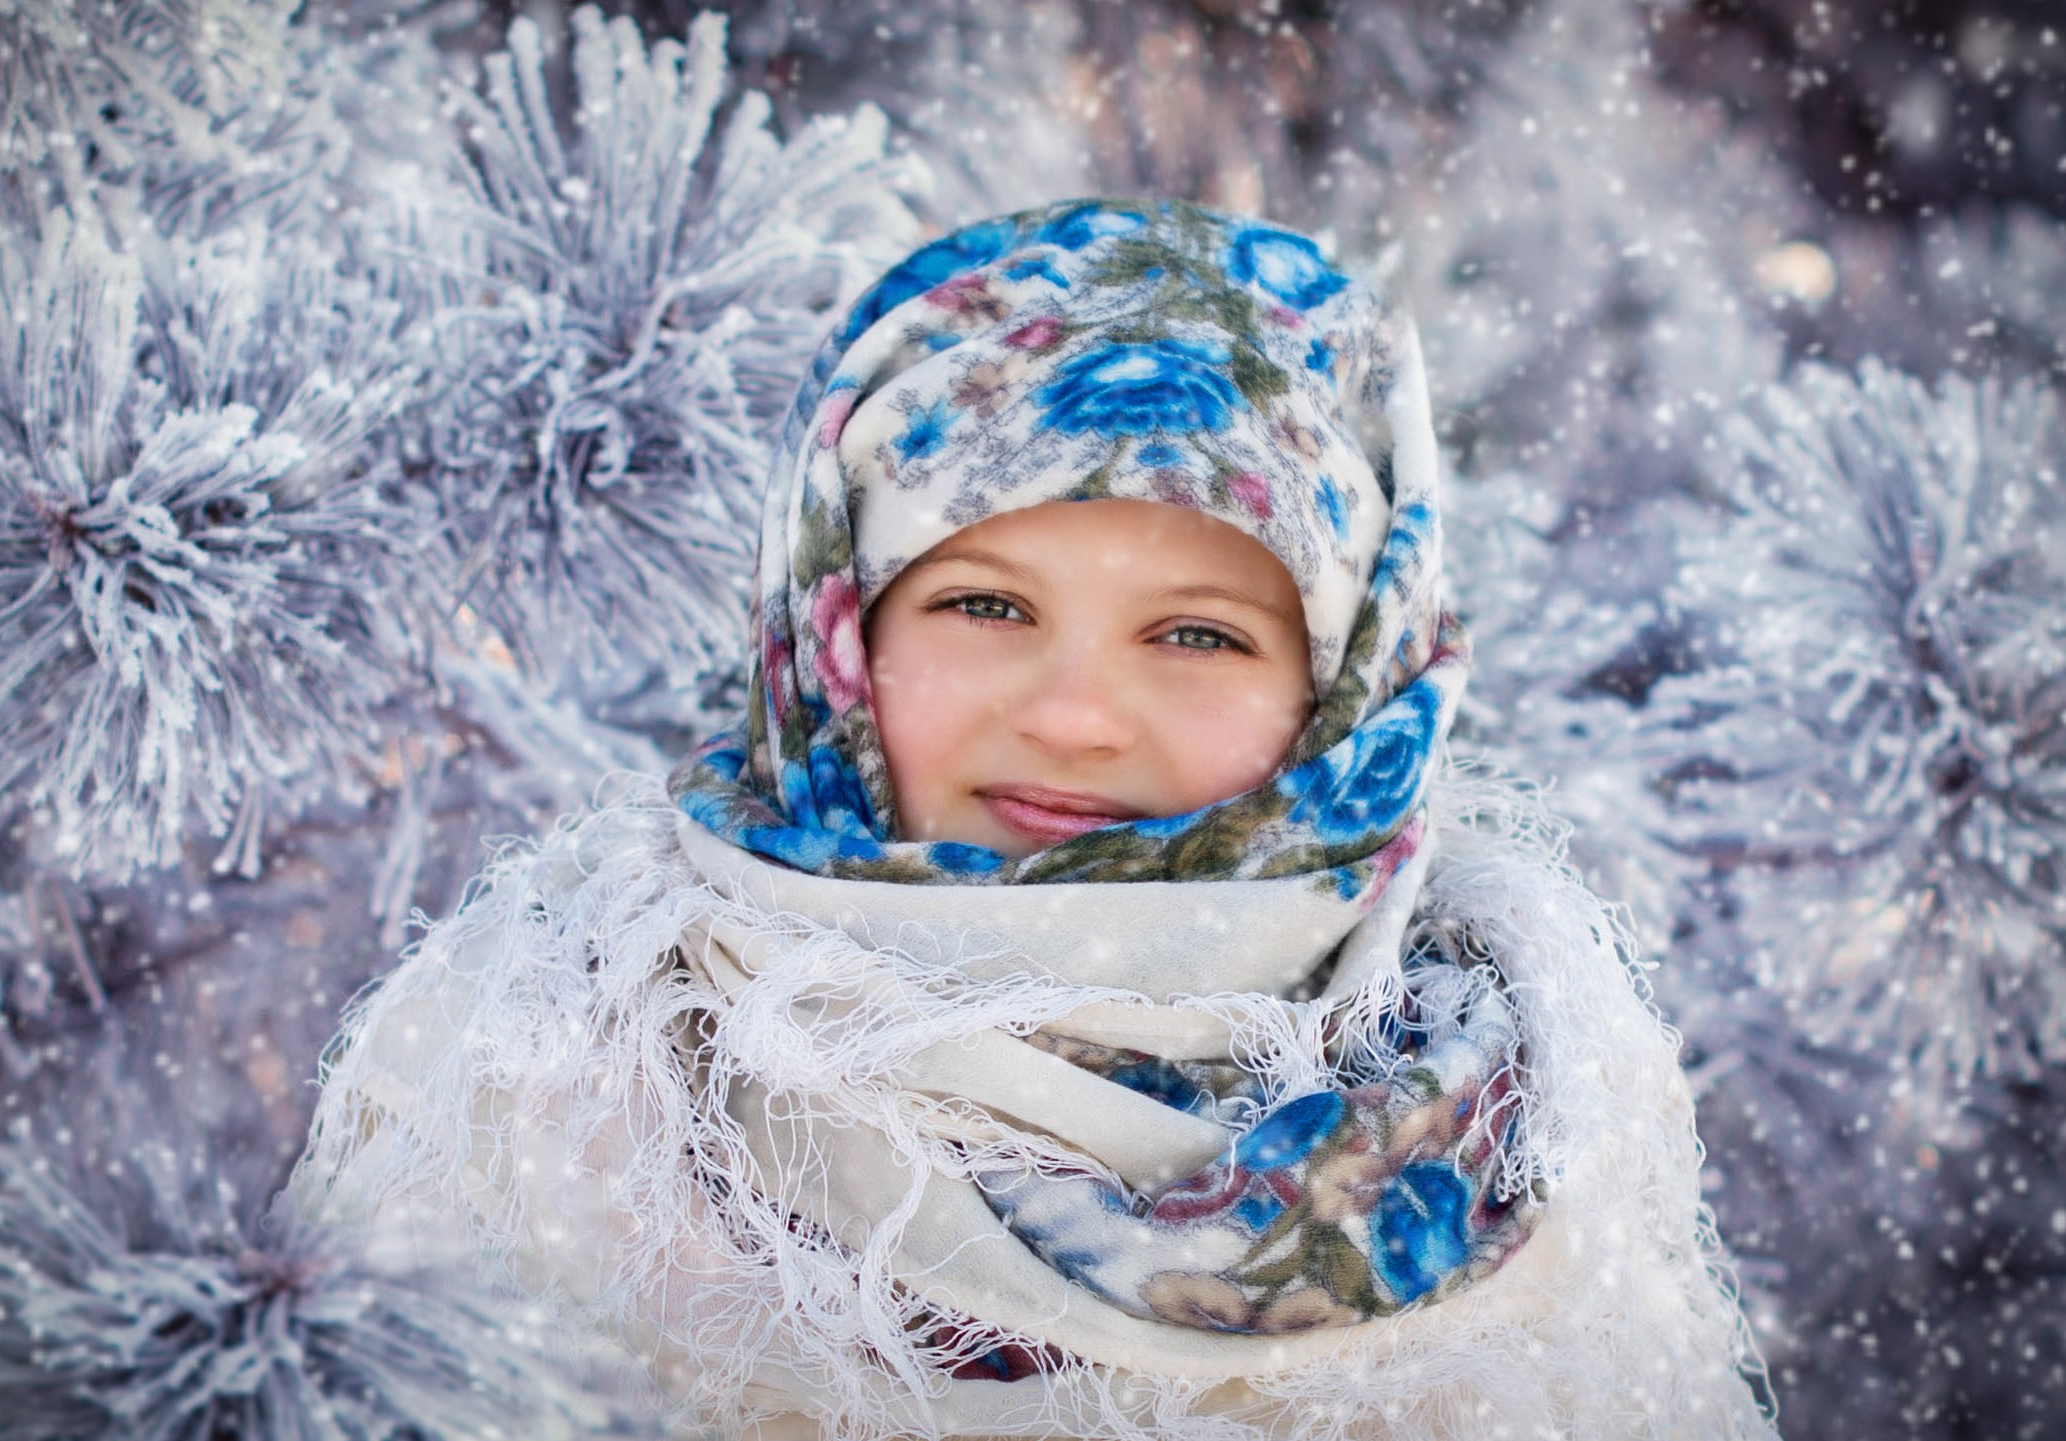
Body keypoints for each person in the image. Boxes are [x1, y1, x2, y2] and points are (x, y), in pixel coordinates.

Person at [291, 199, 1775, 1440]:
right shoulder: (552, 1076)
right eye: (984, 604)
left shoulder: (1519, 1120)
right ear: (830, 636)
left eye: (1195, 633)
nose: (1073, 712)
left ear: (1352, 699)